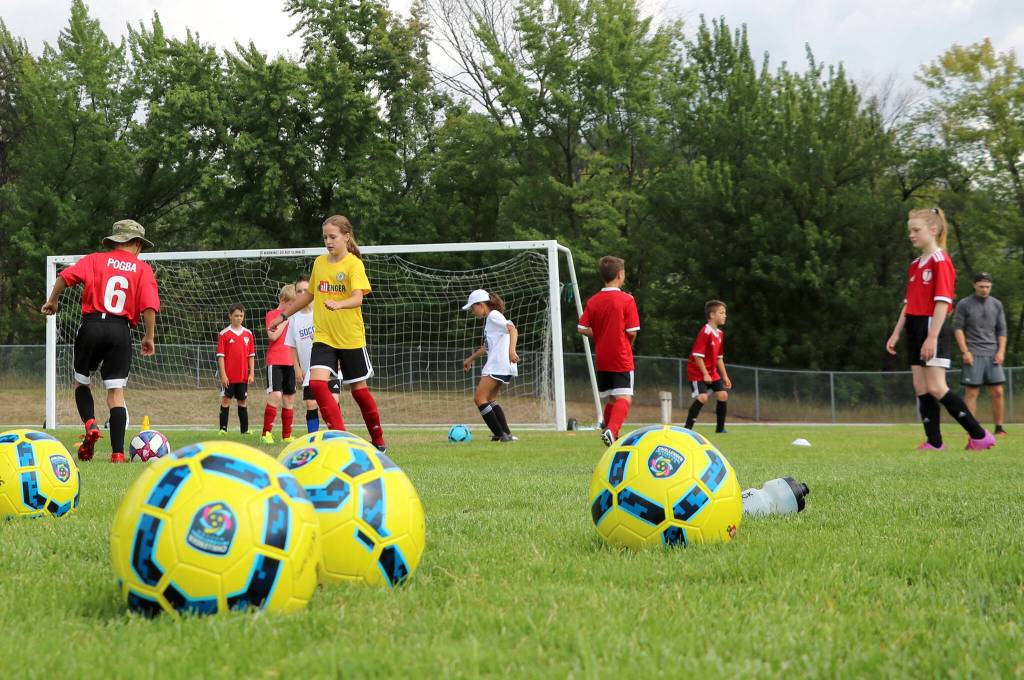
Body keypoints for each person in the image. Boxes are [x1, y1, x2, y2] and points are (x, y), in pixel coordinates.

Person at [40, 219, 160, 463]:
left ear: (115, 240)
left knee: (81, 383)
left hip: (92, 325)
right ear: (136, 243)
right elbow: (149, 305)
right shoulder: (142, 268)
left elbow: (64, 277)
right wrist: (149, 336)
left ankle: (91, 424)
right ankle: (117, 454)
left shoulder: (95, 259)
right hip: (120, 330)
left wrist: (53, 301)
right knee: (115, 393)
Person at [269, 215, 386, 452]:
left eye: (333, 237)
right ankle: (341, 437)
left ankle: (379, 440)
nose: (328, 241)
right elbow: (308, 295)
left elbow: (358, 297)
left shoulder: (354, 264)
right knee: (319, 385)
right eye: (325, 237)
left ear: (346, 236)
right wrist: (283, 315)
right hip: (323, 337)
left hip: (350, 338)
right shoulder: (320, 263)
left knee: (359, 392)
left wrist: (339, 304)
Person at [885, 207, 995, 451]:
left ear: (933, 230)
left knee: (936, 387)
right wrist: (896, 332)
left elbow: (943, 302)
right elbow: (908, 302)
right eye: (909, 230)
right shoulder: (915, 264)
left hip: (930, 325)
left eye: (916, 230)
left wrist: (932, 337)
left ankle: (980, 435)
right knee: (921, 387)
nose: (911, 235)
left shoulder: (941, 261)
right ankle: (934, 443)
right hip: (914, 325)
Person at [577, 256, 640, 446]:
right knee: (625, 397)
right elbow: (632, 332)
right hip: (621, 355)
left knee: (612, 398)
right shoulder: (627, 300)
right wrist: (624, 343)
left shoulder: (594, 300)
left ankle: (608, 430)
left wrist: (601, 335)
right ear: (620, 274)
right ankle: (612, 431)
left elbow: (581, 327)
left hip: (602, 357)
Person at [284, 275, 342, 433]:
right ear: (296, 294)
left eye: (306, 290)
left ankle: (337, 435)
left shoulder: (323, 310)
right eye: (299, 291)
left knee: (333, 401)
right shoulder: (294, 318)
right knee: (311, 404)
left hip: (329, 365)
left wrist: (339, 358)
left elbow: (337, 335)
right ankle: (313, 438)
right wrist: (296, 367)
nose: (303, 293)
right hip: (308, 369)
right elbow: (292, 346)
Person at [954, 272, 1008, 435]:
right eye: (981, 286)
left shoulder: (997, 304)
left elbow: (1002, 330)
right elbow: (957, 329)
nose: (985, 290)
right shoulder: (964, 304)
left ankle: (999, 428)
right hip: (973, 353)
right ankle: (972, 429)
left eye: (988, 287)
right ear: (974, 285)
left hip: (993, 354)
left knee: (998, 392)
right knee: (971, 393)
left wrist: (1001, 351)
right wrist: (965, 351)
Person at [462, 289, 519, 442]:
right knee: (491, 398)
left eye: (473, 308)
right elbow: (486, 347)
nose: (473, 312)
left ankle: (501, 436)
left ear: (481, 305)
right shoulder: (491, 320)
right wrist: (470, 359)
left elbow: (512, 329)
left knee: (479, 398)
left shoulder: (493, 316)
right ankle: (506, 434)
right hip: (502, 365)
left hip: (498, 364)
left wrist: (512, 351)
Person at [684, 300, 732, 432]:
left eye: (725, 313)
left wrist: (725, 376)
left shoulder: (720, 334)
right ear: (712, 315)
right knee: (703, 397)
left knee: (722, 395)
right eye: (721, 313)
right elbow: (697, 356)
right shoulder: (705, 332)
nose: (724, 316)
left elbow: (719, 358)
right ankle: (688, 428)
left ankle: (720, 429)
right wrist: (705, 373)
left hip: (712, 372)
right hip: (697, 372)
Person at [262, 284, 298, 444]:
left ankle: (286, 436)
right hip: (275, 361)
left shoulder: (295, 317)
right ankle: (266, 434)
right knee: (276, 395)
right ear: (283, 300)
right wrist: (285, 320)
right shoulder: (272, 315)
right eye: (291, 304)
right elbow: (273, 336)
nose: (293, 308)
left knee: (289, 399)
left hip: (291, 362)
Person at [217, 303, 255, 434]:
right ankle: (223, 430)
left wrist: (251, 374)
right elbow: (221, 357)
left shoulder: (248, 334)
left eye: (241, 316)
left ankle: (244, 431)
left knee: (242, 401)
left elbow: (251, 356)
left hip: (243, 376)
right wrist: (223, 375)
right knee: (226, 400)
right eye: (236, 315)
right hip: (228, 376)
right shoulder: (224, 334)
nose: (239, 318)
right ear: (230, 316)